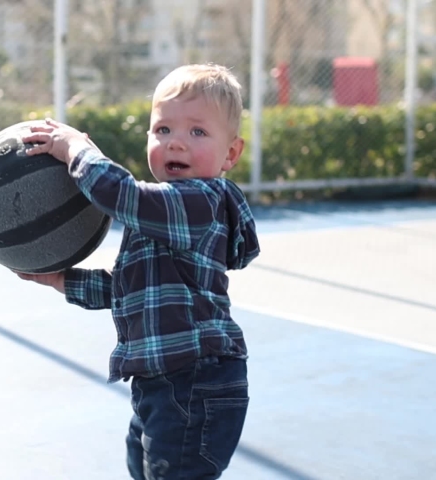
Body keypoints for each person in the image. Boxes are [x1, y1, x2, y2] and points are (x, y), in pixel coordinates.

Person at [16, 63, 260, 479]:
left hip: (196, 383)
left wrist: (75, 149)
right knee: (142, 469)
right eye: (163, 130)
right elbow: (125, 290)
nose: (176, 144)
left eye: (197, 132)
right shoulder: (162, 214)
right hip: (162, 383)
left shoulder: (200, 202)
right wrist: (60, 280)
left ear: (230, 154)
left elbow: (122, 195)